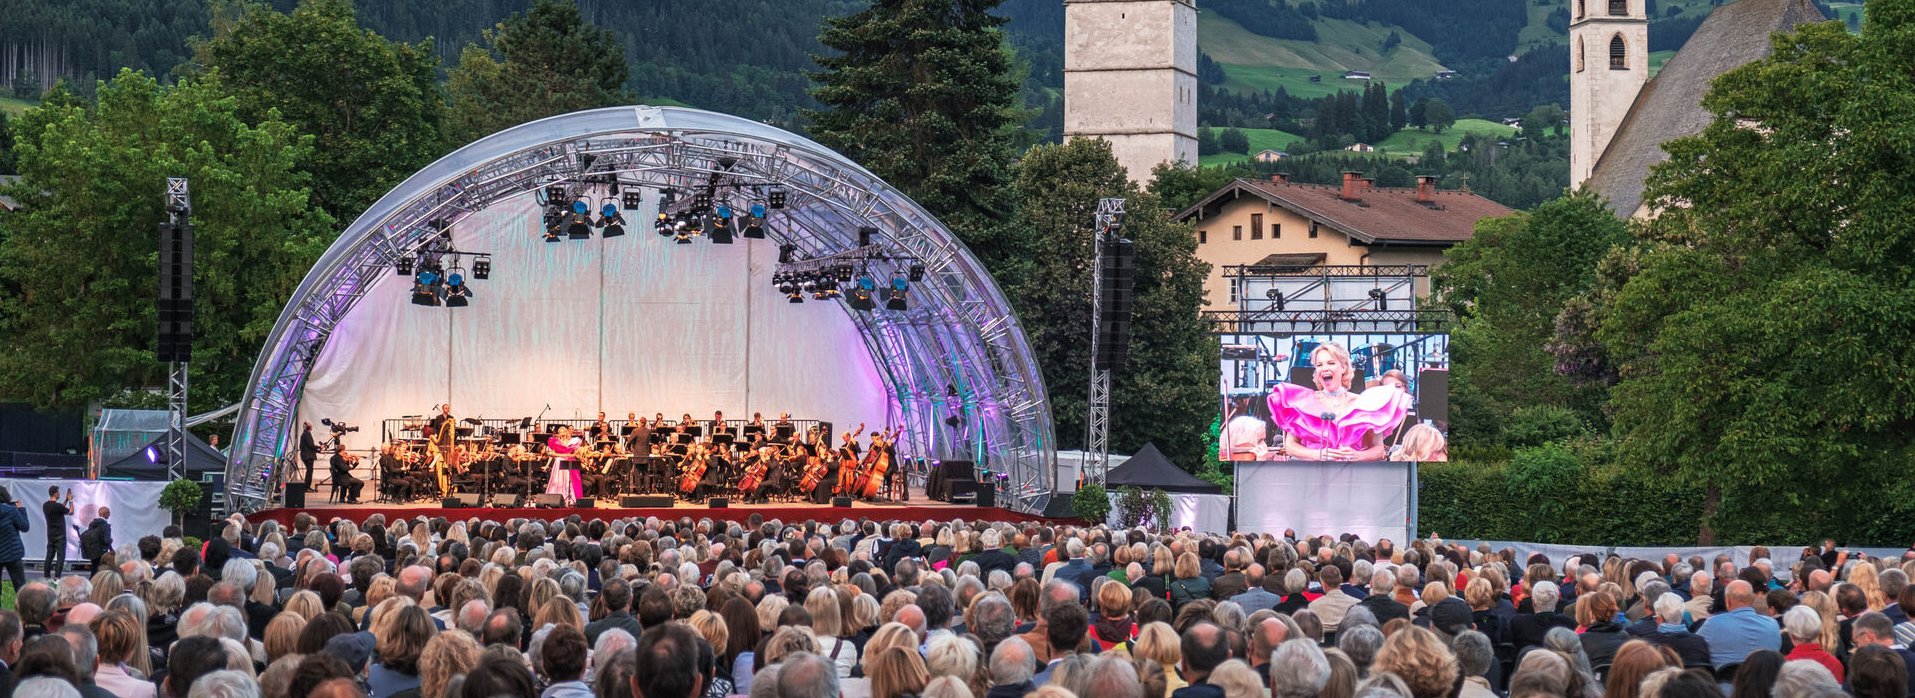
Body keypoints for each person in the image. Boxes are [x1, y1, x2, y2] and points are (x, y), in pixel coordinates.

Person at [1265, 342, 1410, 462]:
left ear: (1344, 367)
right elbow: (1290, 446)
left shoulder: (1363, 403)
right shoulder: (1304, 403)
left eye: (1331, 363)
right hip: (1310, 473)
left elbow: (1379, 449)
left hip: (1353, 475)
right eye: (1319, 365)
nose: (1324, 368)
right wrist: (1317, 454)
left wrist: (1358, 456)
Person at [0, 490, 30, 595]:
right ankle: (23, 610)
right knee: (20, 586)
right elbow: (25, 527)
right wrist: (21, 509)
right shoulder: (11, 510)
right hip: (13, 553)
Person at [545, 426, 584, 506]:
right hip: (559, 461)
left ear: (566, 433)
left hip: (568, 461)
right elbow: (552, 453)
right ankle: (556, 498)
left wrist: (573, 454)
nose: (562, 433)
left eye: (564, 431)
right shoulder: (555, 442)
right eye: (560, 432)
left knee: (568, 480)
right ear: (558, 434)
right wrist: (565, 454)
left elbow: (575, 453)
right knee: (557, 480)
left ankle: (568, 498)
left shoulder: (571, 442)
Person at [43, 488, 71, 579]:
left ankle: (46, 576)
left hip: (50, 534)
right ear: (55, 494)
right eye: (58, 493)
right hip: (60, 534)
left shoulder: (45, 505)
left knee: (49, 556)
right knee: (60, 557)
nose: (59, 494)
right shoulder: (58, 506)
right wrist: (70, 501)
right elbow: (71, 512)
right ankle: (57, 576)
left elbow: (60, 509)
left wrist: (66, 500)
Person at [78, 509, 111, 575]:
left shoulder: (92, 523)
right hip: (102, 551)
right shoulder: (105, 525)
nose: (109, 515)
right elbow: (106, 540)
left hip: (92, 550)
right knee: (102, 569)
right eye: (108, 513)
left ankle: (92, 582)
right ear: (105, 514)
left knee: (94, 568)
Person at [298, 422, 321, 488]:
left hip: (305, 455)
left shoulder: (304, 434)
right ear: (310, 427)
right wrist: (319, 447)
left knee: (309, 471)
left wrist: (318, 450)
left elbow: (307, 446)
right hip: (308, 456)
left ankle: (307, 486)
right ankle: (307, 487)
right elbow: (310, 445)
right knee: (309, 472)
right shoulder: (307, 434)